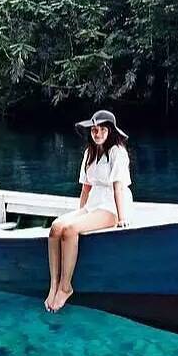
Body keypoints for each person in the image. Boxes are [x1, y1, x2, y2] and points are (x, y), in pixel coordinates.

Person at [45, 110, 132, 312]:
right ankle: (54, 286)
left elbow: (118, 186)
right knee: (57, 227)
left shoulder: (118, 152)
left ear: (110, 131)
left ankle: (66, 287)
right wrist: (80, 212)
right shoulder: (89, 153)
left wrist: (122, 217)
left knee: (70, 230)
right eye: (94, 130)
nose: (98, 133)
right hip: (93, 203)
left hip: (111, 205)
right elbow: (86, 187)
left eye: (102, 129)